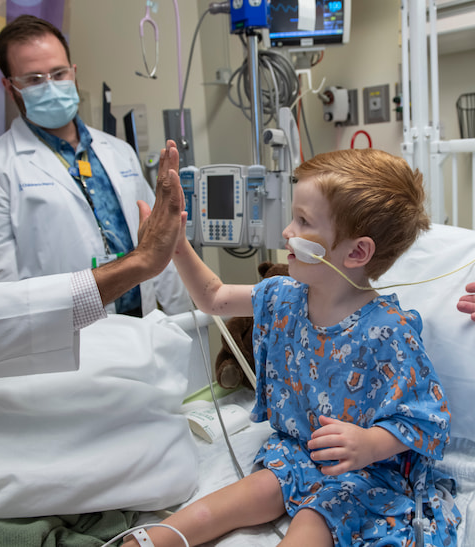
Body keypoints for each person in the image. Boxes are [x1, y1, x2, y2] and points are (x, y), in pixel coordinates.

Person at [0, 24, 194, 545]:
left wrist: (166, 302)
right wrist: (132, 269)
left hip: (34, 340)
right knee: (139, 448)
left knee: (148, 392)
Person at [123, 146, 461, 547]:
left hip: (362, 474)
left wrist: (369, 444)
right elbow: (213, 298)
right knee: (220, 506)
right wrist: (175, 245)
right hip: (296, 453)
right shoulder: (284, 296)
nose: (287, 231)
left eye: (303, 221)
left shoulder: (388, 331)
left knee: (311, 525)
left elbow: (425, 419)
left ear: (356, 252)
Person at [0, 15, 189, 318]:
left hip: (144, 332)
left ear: (73, 73)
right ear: (10, 87)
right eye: (34, 79)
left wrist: (182, 322)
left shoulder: (119, 152)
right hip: (66, 347)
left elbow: (159, 245)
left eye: (58, 73)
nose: (50, 85)